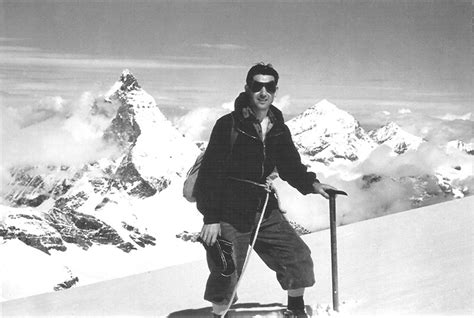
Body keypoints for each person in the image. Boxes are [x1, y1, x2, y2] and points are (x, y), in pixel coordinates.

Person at [196, 63, 336, 317]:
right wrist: (211, 218)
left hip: (263, 209)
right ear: (247, 88)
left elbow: (290, 166)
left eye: (269, 86)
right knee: (225, 268)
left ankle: (295, 310)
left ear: (275, 90)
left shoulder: (278, 128)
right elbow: (211, 173)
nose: (263, 91)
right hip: (229, 212)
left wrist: (313, 184)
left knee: (297, 256)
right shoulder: (228, 125)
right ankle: (219, 315)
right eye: (257, 86)